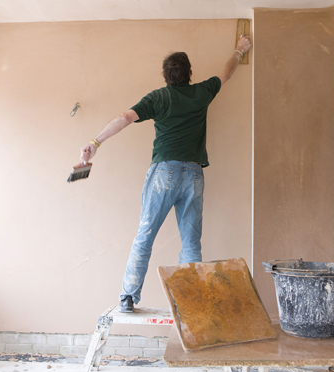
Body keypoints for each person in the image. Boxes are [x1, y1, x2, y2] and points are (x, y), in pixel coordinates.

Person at [76, 36, 252, 312]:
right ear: (188, 73)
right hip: (194, 174)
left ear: (166, 76)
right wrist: (240, 50)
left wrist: (95, 143)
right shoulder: (202, 92)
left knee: (145, 235)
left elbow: (124, 117)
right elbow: (226, 73)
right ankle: (192, 300)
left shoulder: (159, 97)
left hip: (165, 174)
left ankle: (128, 297)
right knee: (191, 243)